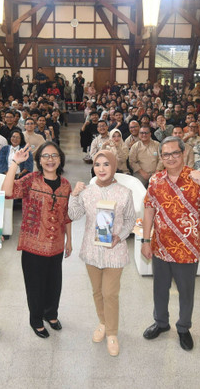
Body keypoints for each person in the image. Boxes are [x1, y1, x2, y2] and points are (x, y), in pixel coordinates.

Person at [141, 136, 200, 351]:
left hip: (187, 247)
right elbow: (149, 210)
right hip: (161, 246)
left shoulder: (197, 178)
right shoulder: (156, 180)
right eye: (166, 154)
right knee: (160, 289)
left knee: (186, 291)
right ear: (161, 157)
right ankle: (161, 323)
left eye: (175, 153)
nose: (171, 158)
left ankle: (184, 328)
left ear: (183, 153)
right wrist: (146, 240)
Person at [2, 141, 72, 338]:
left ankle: (51, 314)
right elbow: (7, 192)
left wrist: (70, 240)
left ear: (60, 159)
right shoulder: (31, 180)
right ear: (39, 160)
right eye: (45, 156)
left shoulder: (66, 185)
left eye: (54, 156)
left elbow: (67, 215)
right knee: (35, 285)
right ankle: (36, 319)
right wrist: (15, 163)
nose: (50, 160)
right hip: (33, 244)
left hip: (56, 243)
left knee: (54, 283)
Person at [68, 150, 135, 356]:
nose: (102, 169)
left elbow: (131, 220)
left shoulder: (124, 192)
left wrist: (120, 236)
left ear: (113, 166)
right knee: (97, 292)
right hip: (91, 250)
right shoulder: (87, 191)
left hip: (114, 251)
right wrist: (74, 195)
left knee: (110, 294)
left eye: (106, 164)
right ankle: (103, 323)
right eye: (98, 164)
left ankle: (112, 333)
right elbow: (73, 215)